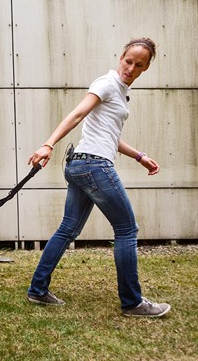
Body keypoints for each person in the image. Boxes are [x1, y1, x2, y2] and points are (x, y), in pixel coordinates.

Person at [26, 38, 171, 317]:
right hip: (94, 166)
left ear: (146, 67)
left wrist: (140, 156)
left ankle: (37, 289)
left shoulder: (120, 91)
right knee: (127, 230)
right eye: (129, 61)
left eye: (139, 64)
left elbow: (110, 137)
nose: (131, 67)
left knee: (68, 229)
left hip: (81, 164)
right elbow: (78, 114)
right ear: (121, 57)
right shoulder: (106, 83)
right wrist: (48, 144)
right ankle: (132, 302)